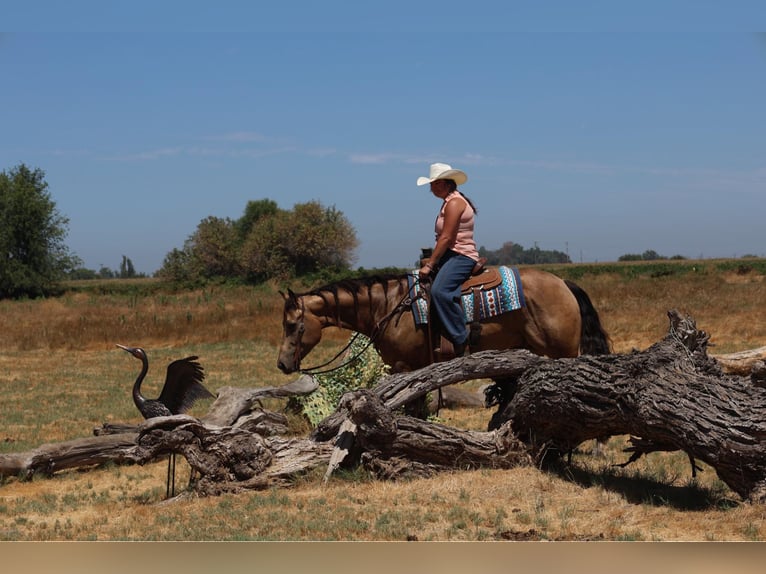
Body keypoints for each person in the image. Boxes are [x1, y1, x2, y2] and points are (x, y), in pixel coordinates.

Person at [417, 162, 480, 357]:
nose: (431, 188)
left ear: (443, 184)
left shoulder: (454, 203)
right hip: (451, 254)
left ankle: (462, 339)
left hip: (460, 256)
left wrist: (431, 263)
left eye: (433, 184)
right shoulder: (450, 201)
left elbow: (447, 237)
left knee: (440, 292)